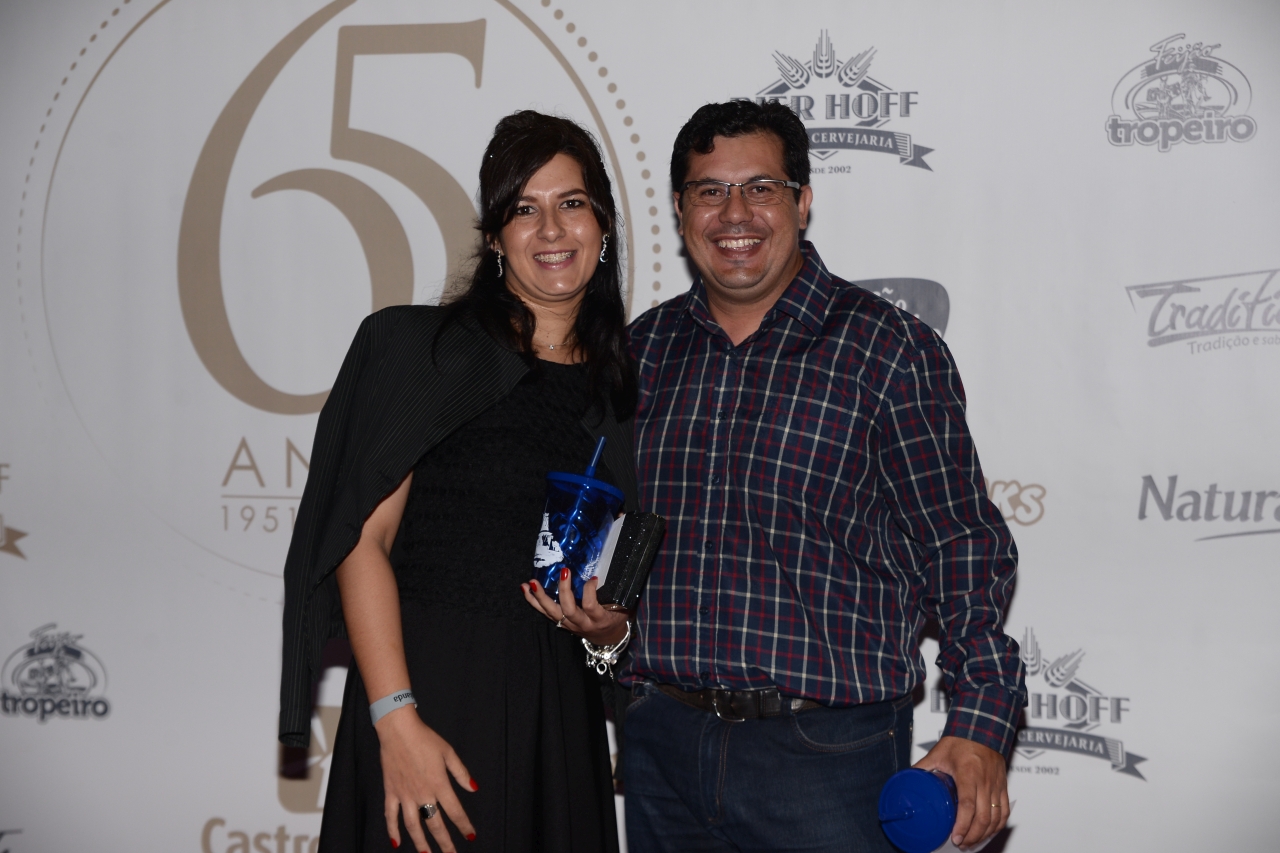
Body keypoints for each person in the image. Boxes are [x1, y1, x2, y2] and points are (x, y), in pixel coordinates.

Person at [622, 100, 1027, 853]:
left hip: (827, 759)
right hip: (661, 750)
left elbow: (961, 542)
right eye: (710, 190)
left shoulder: (888, 350)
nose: (734, 213)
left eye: (761, 188)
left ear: (802, 202)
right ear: (679, 210)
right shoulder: (640, 353)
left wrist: (980, 719)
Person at [279, 111, 635, 853]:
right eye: (523, 209)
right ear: (495, 236)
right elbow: (362, 541)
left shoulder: (627, 392)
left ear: (603, 225)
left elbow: (618, 606)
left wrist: (607, 634)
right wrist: (396, 717)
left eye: (571, 203)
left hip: (556, 716)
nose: (551, 229)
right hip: (429, 694)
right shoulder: (418, 351)